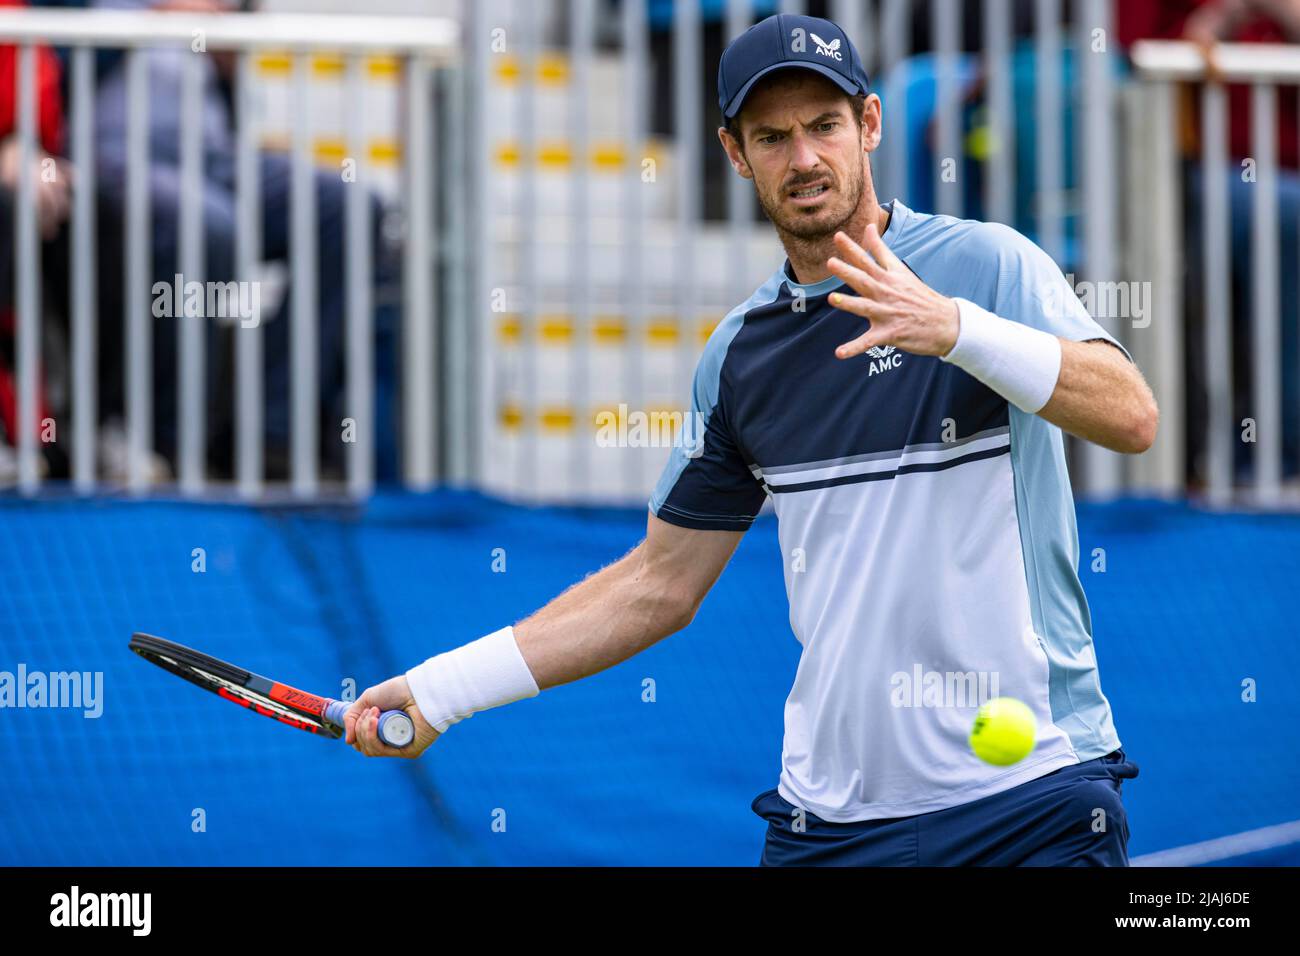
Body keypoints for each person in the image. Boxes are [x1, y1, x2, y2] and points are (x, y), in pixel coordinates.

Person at [342, 14, 1158, 867]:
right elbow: (657, 586)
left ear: (870, 124)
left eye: (824, 127)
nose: (803, 158)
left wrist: (955, 329)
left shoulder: (987, 267)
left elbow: (1132, 416)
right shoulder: (739, 355)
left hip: (1031, 798)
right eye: (772, 137)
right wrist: (439, 693)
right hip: (829, 827)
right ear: (736, 155)